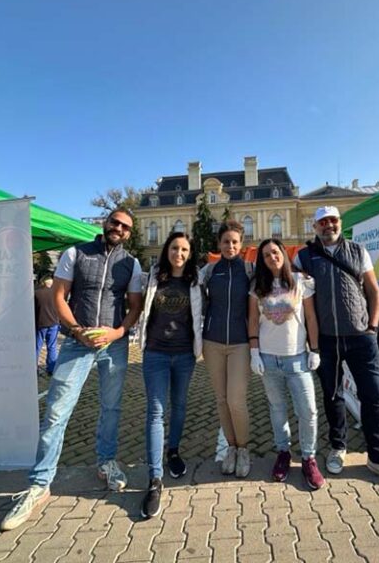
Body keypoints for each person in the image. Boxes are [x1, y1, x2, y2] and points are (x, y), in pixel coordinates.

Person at [0, 208, 143, 532]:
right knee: (56, 411)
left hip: (113, 345)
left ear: (129, 233)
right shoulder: (76, 253)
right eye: (115, 222)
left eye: (125, 227)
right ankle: (40, 484)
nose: (118, 228)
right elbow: (59, 295)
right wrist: (77, 330)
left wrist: (118, 333)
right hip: (78, 342)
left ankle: (106, 462)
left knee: (111, 408)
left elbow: (134, 306)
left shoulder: (130, 264)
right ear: (106, 223)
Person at [293, 206, 379, 488]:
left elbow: (373, 290)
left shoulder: (358, 251)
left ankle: (378, 457)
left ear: (340, 223)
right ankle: (338, 446)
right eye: (322, 222)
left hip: (361, 336)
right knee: (333, 396)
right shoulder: (304, 256)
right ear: (315, 227)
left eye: (332, 220)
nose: (328, 225)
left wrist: (373, 327)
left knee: (372, 395)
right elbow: (291, 292)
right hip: (327, 340)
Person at [248, 238, 325, 489]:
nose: (272, 257)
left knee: (308, 411)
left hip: (297, 359)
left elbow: (311, 317)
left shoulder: (301, 282)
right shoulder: (257, 286)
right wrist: (254, 352)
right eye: (266, 255)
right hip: (269, 359)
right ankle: (283, 453)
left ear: (283, 253)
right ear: (262, 260)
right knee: (277, 409)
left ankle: (308, 457)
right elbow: (252, 320)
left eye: (275, 252)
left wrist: (314, 349)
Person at [138, 232, 202, 519]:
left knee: (180, 406)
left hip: (185, 355)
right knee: (155, 411)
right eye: (175, 248)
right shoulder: (153, 277)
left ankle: (173, 451)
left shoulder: (196, 281)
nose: (179, 253)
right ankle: (154, 478)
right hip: (155, 354)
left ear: (189, 254)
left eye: (184, 249)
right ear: (167, 250)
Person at [201, 220, 253, 478]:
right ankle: (231, 448)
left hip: (241, 344)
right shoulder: (210, 271)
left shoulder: (250, 269)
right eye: (225, 241)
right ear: (219, 244)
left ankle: (243, 449)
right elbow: (192, 294)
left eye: (235, 242)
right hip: (212, 342)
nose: (230, 246)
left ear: (241, 245)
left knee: (236, 400)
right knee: (221, 400)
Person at [34, 274, 60, 376]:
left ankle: (34, 369)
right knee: (52, 347)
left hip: (40, 323)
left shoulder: (36, 293)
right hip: (54, 323)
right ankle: (51, 369)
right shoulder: (56, 293)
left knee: (37, 347)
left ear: (42, 282)